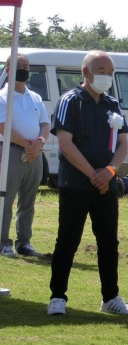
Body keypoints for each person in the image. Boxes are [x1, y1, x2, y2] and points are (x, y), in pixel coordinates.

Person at [47, 51, 128, 316]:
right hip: (75, 184)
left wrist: (109, 172)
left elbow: (122, 144)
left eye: (110, 72)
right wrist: (92, 174)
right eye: (101, 70)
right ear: (85, 72)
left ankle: (110, 297)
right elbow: (65, 143)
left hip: (106, 186)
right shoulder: (70, 101)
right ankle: (57, 297)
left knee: (108, 241)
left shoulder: (112, 104)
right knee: (68, 240)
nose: (107, 76)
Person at [0, 53, 50, 258]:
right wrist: (27, 145)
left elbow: (45, 124)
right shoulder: (3, 97)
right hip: (10, 152)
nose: (22, 68)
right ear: (8, 70)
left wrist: (39, 144)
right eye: (17, 65)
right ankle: (3, 243)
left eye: (25, 65)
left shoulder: (35, 97)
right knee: (5, 200)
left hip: (35, 155)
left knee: (28, 201)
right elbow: (3, 126)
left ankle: (24, 242)